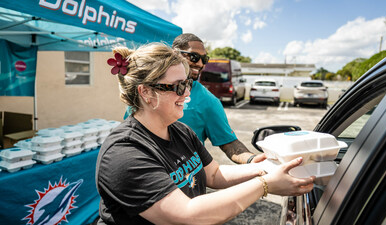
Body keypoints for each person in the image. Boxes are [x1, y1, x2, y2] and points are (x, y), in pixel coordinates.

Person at [96, 43, 315, 225]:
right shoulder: (124, 153)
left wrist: (266, 167)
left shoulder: (180, 130)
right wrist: (266, 184)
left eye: (187, 84)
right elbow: (188, 214)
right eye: (178, 86)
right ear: (146, 92)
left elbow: (213, 174)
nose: (187, 93)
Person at [124, 33, 265, 164]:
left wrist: (252, 160)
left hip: (187, 180)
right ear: (174, 54)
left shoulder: (208, 101)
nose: (200, 64)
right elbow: (129, 128)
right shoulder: (147, 90)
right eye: (194, 57)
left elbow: (228, 143)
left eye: (204, 59)